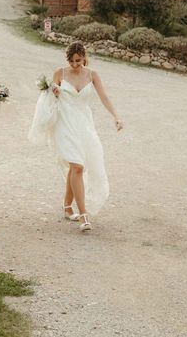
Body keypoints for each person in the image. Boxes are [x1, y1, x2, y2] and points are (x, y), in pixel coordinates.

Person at [30, 41, 123, 231]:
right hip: (64, 124)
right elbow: (47, 100)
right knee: (77, 166)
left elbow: (104, 97)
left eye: (78, 61)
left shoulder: (93, 75)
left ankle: (66, 205)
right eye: (71, 61)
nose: (74, 65)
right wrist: (53, 92)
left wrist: (116, 117)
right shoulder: (60, 73)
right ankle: (83, 215)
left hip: (84, 125)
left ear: (84, 58)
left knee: (77, 166)